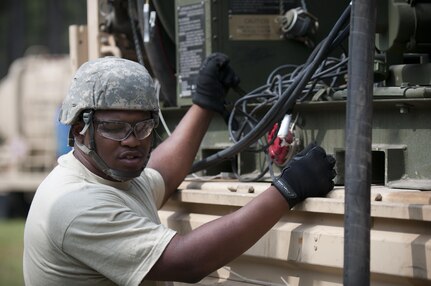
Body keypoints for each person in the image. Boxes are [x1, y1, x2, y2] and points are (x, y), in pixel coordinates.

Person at [23, 55, 336, 286]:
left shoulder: (111, 176)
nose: (132, 141)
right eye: (115, 128)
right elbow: (187, 262)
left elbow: (162, 171)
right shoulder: (76, 205)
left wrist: (204, 103)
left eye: (143, 126)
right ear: (79, 130)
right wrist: (286, 190)